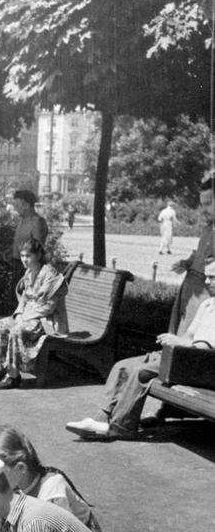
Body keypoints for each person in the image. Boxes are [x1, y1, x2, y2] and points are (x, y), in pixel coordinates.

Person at [66, 259, 215, 440]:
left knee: (141, 372)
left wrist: (179, 343)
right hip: (185, 357)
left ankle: (122, 426)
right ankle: (101, 417)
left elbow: (205, 347)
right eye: (206, 277)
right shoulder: (207, 305)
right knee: (122, 366)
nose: (207, 282)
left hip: (204, 366)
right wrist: (177, 341)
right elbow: (190, 337)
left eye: (212, 278)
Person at [0, 239, 68, 389]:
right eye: (22, 256)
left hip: (46, 320)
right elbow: (24, 298)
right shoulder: (29, 272)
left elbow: (48, 307)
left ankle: (13, 376)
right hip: (28, 315)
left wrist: (24, 318)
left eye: (28, 256)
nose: (24, 259)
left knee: (16, 330)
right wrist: (19, 314)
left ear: (38, 255)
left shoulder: (50, 274)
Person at [169, 175, 215, 333]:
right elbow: (200, 252)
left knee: (194, 338)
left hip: (205, 292)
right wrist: (187, 262)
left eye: (208, 204)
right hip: (190, 287)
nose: (204, 209)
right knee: (180, 329)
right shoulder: (209, 227)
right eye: (202, 204)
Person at [10, 190, 48, 287]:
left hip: (29, 269)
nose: (15, 208)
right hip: (18, 265)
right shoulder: (22, 220)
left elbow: (37, 248)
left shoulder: (37, 222)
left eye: (17, 205)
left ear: (26, 205)